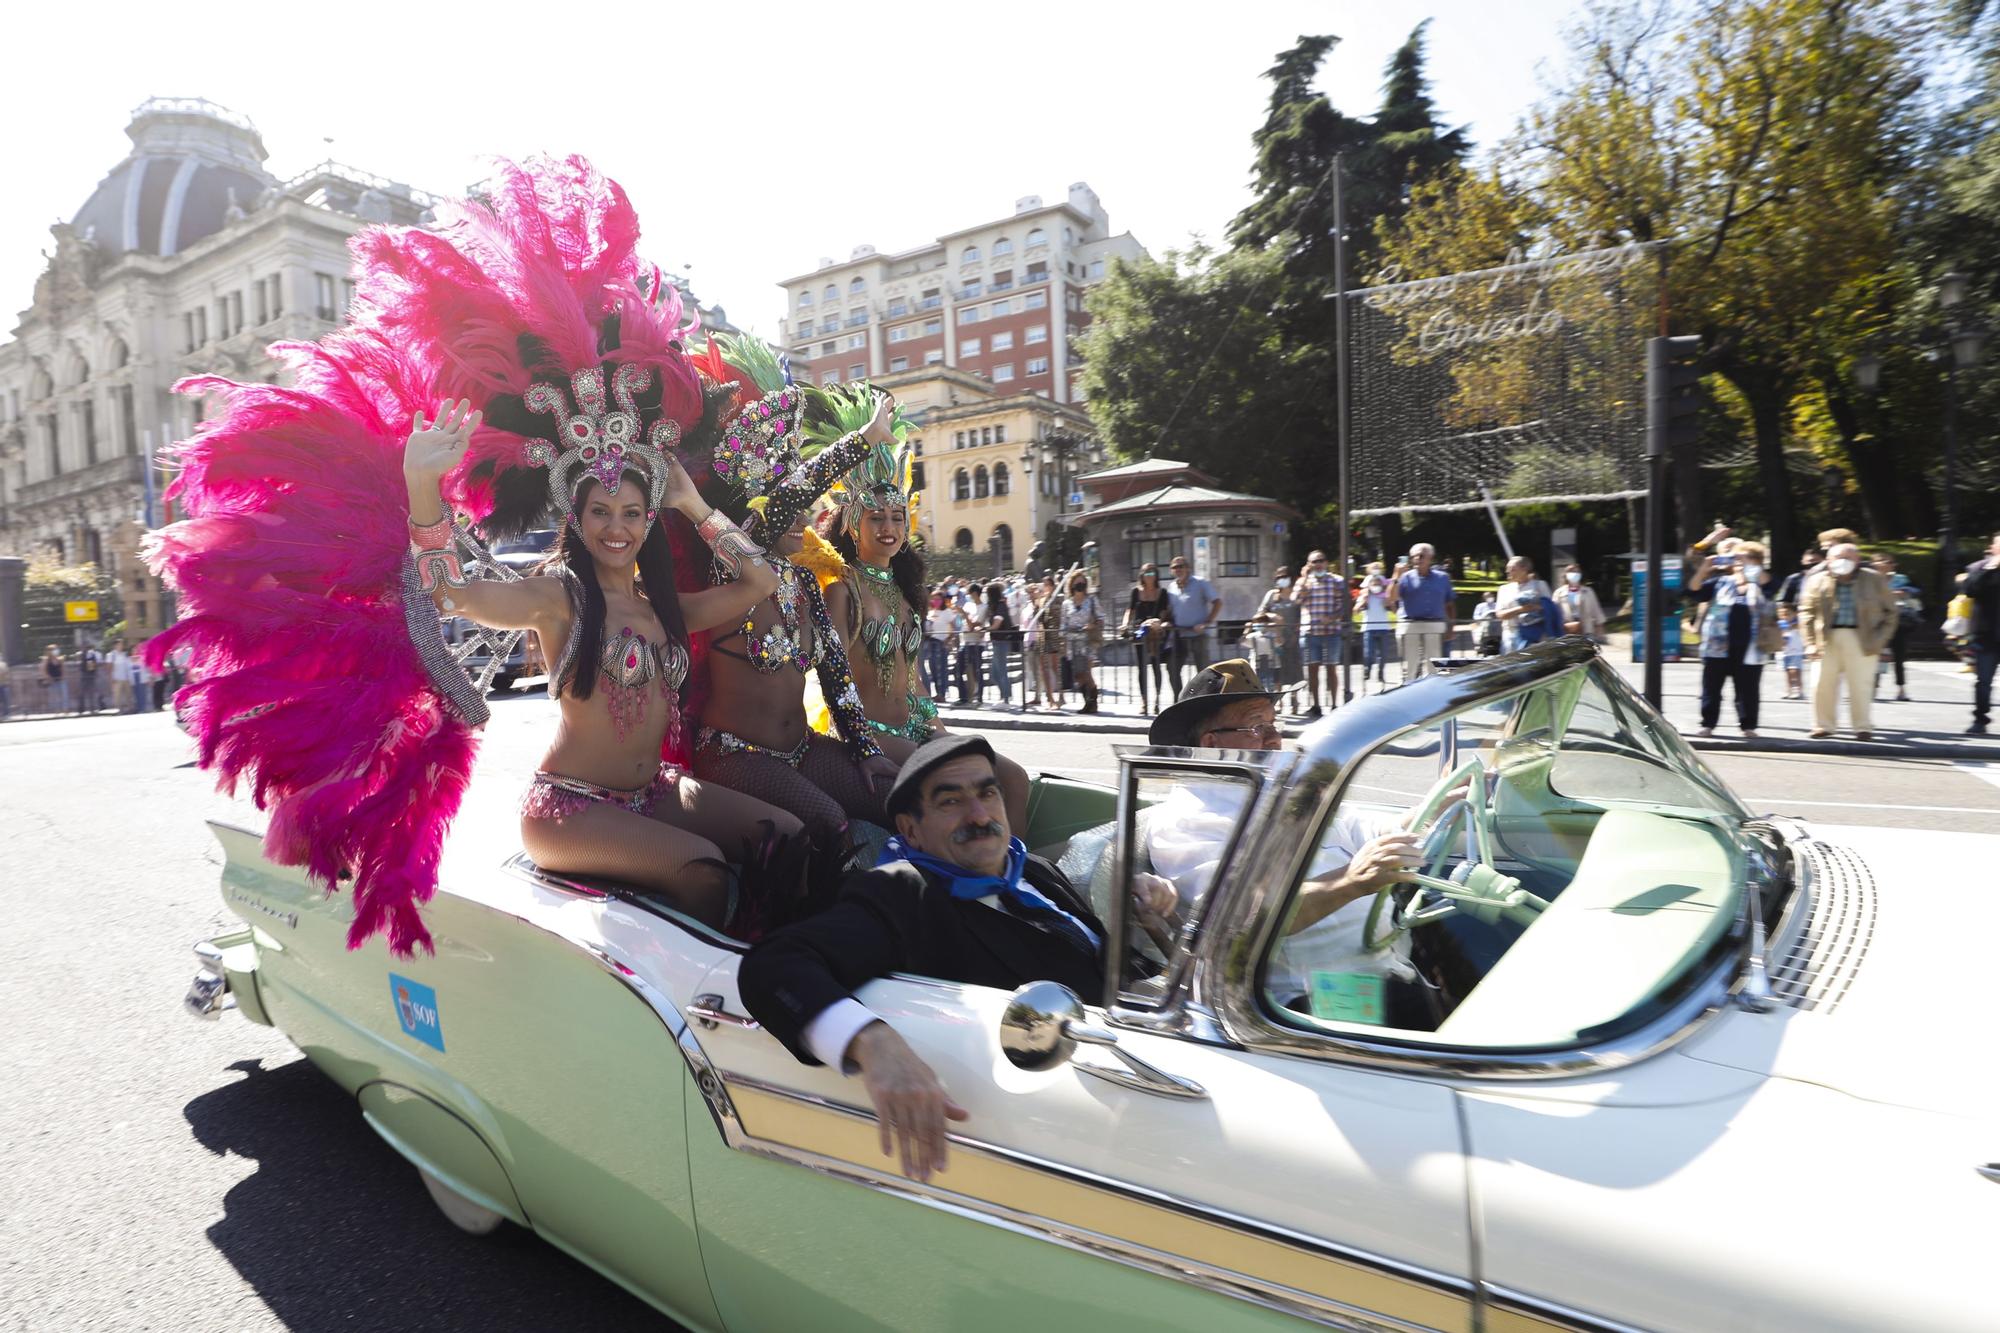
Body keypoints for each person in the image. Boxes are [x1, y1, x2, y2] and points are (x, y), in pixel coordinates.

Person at [404, 389, 798, 931]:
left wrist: (693, 506)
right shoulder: (558, 600)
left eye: (632, 514)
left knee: (783, 835)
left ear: (648, 523)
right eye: (602, 512)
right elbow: (452, 596)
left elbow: (761, 580)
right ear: (578, 518)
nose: (618, 528)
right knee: (703, 873)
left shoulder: (664, 611)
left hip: (653, 791)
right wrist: (422, 484)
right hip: (569, 809)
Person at [737, 734, 1172, 1182]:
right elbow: (773, 966)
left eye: (987, 793)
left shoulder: (1034, 872)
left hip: (1145, 1056)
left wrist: (1153, 923)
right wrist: (873, 1044)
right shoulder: (903, 892)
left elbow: (1105, 970)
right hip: (1062, 1120)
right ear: (911, 831)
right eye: (951, 802)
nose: (980, 815)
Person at [1143, 661, 1430, 1021]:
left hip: (1388, 967)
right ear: (1211, 744)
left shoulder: (1283, 791)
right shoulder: (1186, 820)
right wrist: (1351, 881)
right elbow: (1240, 918)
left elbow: (1372, 829)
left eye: (1274, 725)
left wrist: (1438, 804)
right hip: (1307, 1003)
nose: (1274, 739)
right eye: (1256, 727)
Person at [816, 395, 1029, 832]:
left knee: (1012, 777)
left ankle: (1012, 879)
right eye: (876, 518)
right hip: (870, 733)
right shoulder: (842, 588)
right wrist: (862, 743)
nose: (889, 528)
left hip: (917, 727)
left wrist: (941, 732)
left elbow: (913, 677)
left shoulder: (904, 590)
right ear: (852, 523)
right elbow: (831, 681)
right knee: (950, 786)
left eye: (897, 517)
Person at [1798, 541, 1897, 740]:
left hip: (1862, 637)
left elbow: (1891, 612)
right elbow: (1806, 612)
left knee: (1861, 685)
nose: (1843, 562)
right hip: (1825, 638)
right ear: (1828, 560)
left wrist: (1880, 640)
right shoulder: (1816, 580)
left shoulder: (1874, 579)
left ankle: (1862, 727)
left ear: (1858, 560)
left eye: (1849, 557)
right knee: (1821, 684)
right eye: (1838, 557)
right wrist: (1809, 643)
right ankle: (1823, 725)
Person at [1687, 540, 1776, 737]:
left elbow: (1769, 588)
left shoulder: (1762, 581)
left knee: (1748, 689)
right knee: (1712, 686)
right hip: (1717, 644)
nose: (1737, 561)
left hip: (1751, 645)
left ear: (1756, 561)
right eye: (1735, 558)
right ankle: (1708, 724)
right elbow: (1694, 590)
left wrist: (1749, 570)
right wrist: (1704, 569)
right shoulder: (1720, 582)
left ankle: (1748, 726)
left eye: (1742, 557)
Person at [1289, 549, 1346, 719]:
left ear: (1326, 562)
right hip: (1310, 633)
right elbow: (1295, 600)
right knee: (1312, 671)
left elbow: (1344, 604)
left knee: (1331, 669)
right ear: (1309, 564)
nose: (1318, 564)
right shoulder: (1303, 582)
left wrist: (1332, 618)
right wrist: (1305, 578)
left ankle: (1335, 705)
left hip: (1331, 632)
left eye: (1321, 560)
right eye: (1314, 561)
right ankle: (1316, 706)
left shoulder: (1336, 580)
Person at [1386, 543, 1453, 680]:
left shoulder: (1442, 578)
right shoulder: (1404, 577)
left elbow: (1450, 603)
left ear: (1430, 558)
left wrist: (1451, 627)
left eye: (1421, 556)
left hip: (1434, 625)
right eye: (1413, 556)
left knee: (1434, 668)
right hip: (1411, 625)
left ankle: (1432, 696)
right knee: (1410, 668)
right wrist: (1396, 577)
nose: (1417, 559)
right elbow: (1391, 598)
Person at [1161, 554, 1221, 692]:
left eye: (1181, 566)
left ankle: (1205, 700)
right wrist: (1167, 622)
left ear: (1188, 568)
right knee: (1172, 668)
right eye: (1174, 567)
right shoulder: (1171, 587)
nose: (1178, 569)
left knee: (1204, 672)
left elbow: (1217, 602)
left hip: (1198, 635)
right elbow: (1171, 610)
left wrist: (1206, 623)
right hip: (1179, 635)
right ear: (1171, 570)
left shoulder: (1200, 583)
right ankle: (1180, 700)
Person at [1963, 535, 2000, 736]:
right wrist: (1989, 569)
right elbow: (1969, 590)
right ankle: (1980, 719)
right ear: (1993, 548)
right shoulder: (1979, 568)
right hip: (1987, 636)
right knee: (1983, 681)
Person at [1123, 562, 1171, 713]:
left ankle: (1156, 700)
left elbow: (1164, 613)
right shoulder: (1136, 592)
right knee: (1141, 668)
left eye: (1152, 573)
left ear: (1156, 575)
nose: (1149, 576)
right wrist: (1125, 624)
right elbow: (1129, 610)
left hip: (1155, 633)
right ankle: (1144, 702)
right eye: (1146, 573)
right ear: (1141, 576)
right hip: (1140, 633)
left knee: (1156, 667)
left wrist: (1159, 622)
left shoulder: (1162, 592)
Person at [1873, 552, 1920, 703]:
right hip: (1877, 621)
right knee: (1875, 655)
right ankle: (1873, 688)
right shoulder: (1869, 579)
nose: (1885, 564)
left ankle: (1901, 689)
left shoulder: (1900, 578)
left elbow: (1914, 591)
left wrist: (1904, 592)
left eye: (1888, 562)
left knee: (1899, 657)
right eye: (1881, 561)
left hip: (1898, 621)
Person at [1058, 569, 1105, 714]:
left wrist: (1093, 625)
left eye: (1082, 583)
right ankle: (1088, 701)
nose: (1080, 585)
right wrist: (1063, 640)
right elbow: (1063, 624)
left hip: (1087, 641)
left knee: (1086, 672)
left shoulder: (1091, 600)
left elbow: (1101, 617)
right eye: (1077, 583)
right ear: (1071, 585)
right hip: (1073, 642)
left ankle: (1092, 703)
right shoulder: (1067, 604)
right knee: (1078, 675)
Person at [1493, 556, 1553, 654]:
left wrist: (1535, 608)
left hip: (1536, 635)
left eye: (1512, 569)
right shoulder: (1504, 589)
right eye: (1507, 569)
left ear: (1524, 569)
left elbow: (1550, 608)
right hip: (1511, 635)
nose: (1508, 571)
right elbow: (1500, 614)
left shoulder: (1540, 585)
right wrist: (1521, 609)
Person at [1256, 565, 1302, 689]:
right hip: (1276, 639)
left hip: (1293, 639)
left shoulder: (1296, 595)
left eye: (1284, 576)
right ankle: (1279, 702)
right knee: (1277, 673)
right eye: (1278, 577)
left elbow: (1302, 614)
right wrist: (1273, 616)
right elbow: (1261, 613)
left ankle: (1295, 702)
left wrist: (1296, 633)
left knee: (1294, 673)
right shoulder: (1271, 595)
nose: (1281, 579)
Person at [1357, 563, 1394, 688]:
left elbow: (1393, 609)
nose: (1376, 586)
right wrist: (1363, 601)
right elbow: (1356, 609)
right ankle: (1367, 669)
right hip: (1369, 628)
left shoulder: (1384, 597)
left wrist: (1388, 600)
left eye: (1378, 583)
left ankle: (1381, 672)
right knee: (1369, 654)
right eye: (1373, 583)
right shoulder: (1365, 597)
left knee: (1383, 654)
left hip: (1383, 628)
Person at [982, 582, 1017, 710]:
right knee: (994, 674)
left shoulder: (1000, 606)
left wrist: (985, 629)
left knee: (1001, 671)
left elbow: (996, 625)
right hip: (997, 642)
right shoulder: (996, 606)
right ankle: (1005, 695)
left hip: (1001, 642)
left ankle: (1006, 699)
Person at [1556, 563, 1606, 642]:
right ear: (1566, 574)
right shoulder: (1559, 592)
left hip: (1586, 630)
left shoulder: (1588, 591)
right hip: (1566, 631)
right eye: (1571, 571)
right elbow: (1554, 612)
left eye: (1577, 572)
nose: (1574, 574)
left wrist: (1600, 631)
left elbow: (1596, 611)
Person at [1778, 605, 1806, 700]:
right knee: (1788, 674)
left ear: (1795, 614)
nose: (1785, 617)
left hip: (1796, 653)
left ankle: (1799, 690)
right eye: (1783, 615)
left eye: (1788, 614)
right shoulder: (1782, 626)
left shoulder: (1797, 625)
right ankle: (1789, 690)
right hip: (1786, 653)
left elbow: (1802, 620)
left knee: (1795, 672)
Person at [40, 646, 66, 715]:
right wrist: (48, 677)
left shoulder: (60, 659)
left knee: (64, 694)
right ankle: (57, 710)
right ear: (49, 651)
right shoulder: (46, 660)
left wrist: (63, 676)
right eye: (54, 650)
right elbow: (43, 670)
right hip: (52, 680)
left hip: (60, 679)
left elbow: (62, 669)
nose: (56, 651)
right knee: (54, 696)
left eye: (56, 649)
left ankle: (65, 710)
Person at [107, 641, 131, 713]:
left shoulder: (124, 654)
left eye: (122, 645)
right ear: (115, 645)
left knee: (128, 694)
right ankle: (119, 710)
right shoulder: (111, 655)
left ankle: (129, 709)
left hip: (126, 678)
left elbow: (127, 666)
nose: (121, 646)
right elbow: (109, 667)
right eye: (119, 645)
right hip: (117, 678)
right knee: (117, 695)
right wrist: (111, 678)